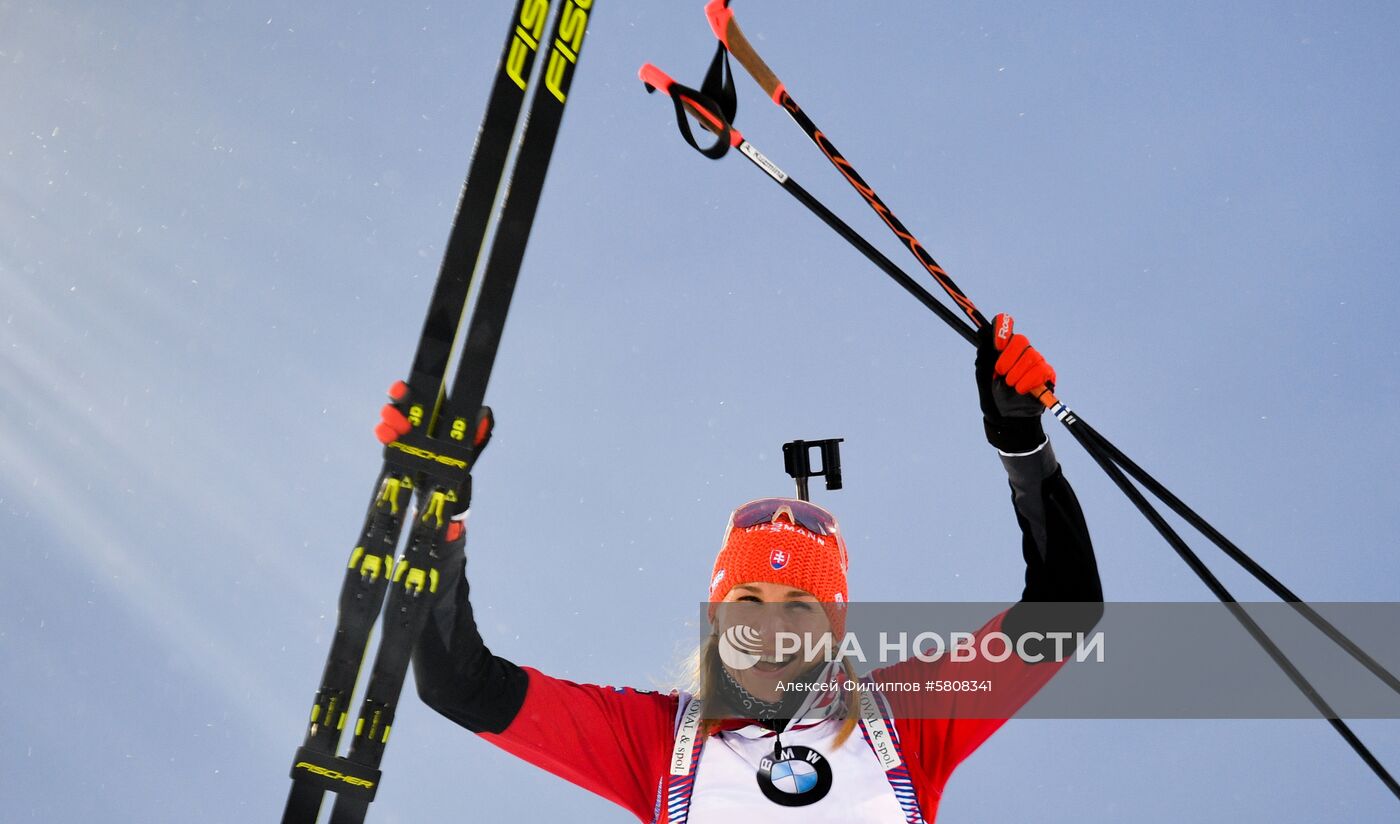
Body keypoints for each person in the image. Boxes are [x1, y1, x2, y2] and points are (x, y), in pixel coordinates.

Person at [386, 314, 1102, 822]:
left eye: (800, 604)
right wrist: (438, 525)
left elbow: (1064, 615)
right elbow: (460, 685)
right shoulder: (658, 745)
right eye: (749, 600)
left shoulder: (907, 722)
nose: (769, 627)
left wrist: (1020, 443)